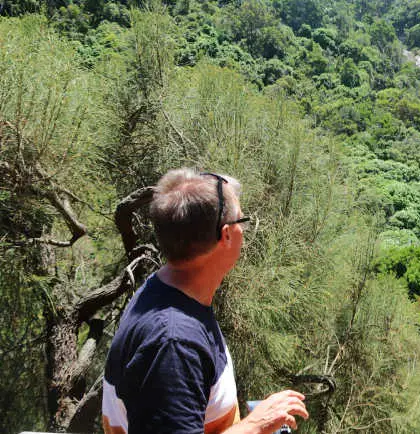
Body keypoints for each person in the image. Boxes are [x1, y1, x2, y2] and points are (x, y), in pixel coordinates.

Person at [102, 168, 308, 434]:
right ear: (227, 236)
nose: (245, 231)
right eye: (242, 222)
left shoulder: (164, 289)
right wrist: (257, 425)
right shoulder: (172, 343)